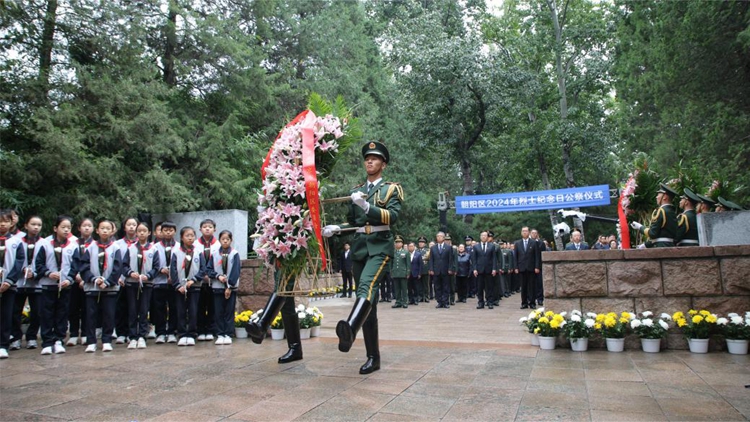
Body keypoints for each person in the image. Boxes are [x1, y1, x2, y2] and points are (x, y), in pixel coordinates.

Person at [322, 141, 403, 374]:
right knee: (369, 304)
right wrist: (337, 228)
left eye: (375, 158)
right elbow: (354, 223)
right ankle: (373, 358)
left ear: (383, 164)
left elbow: (393, 216)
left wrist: (367, 207)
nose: (370, 161)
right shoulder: (357, 191)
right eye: (367, 157)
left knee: (365, 288)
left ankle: (349, 328)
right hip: (359, 249)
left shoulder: (391, 189)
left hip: (379, 247)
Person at [35, 216, 78, 355]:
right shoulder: (45, 244)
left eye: (68, 228)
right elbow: (39, 264)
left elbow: (76, 265)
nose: (66, 230)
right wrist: (48, 273)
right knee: (46, 313)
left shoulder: (73, 245)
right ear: (55, 228)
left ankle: (59, 339)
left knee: (62, 313)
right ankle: (47, 342)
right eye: (63, 227)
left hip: (65, 286)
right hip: (48, 285)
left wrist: (70, 279)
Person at [80, 219, 123, 353]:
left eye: (107, 228)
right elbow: (84, 267)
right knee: (90, 315)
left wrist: (109, 281)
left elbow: (118, 267)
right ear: (97, 230)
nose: (105, 231)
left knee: (109, 315)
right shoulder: (90, 247)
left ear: (112, 231)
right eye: (102, 228)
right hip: (93, 287)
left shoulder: (116, 248)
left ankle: (107, 340)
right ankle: (91, 341)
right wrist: (94, 279)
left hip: (109, 288)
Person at [122, 222, 159, 349]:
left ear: (149, 233)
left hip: (147, 284)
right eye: (139, 231)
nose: (142, 233)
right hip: (132, 284)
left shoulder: (153, 249)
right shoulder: (130, 248)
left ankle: (142, 336)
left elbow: (156, 267)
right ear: (136, 233)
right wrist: (130, 273)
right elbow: (124, 265)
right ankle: (132, 336)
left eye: (145, 230)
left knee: (144, 310)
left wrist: (148, 276)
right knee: (132, 310)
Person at [11, 215, 43, 351]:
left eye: (39, 225)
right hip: (18, 282)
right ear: (26, 225)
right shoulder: (16, 241)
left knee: (37, 312)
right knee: (15, 311)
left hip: (36, 283)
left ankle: (31, 337)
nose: (36, 227)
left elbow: (47, 263)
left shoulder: (44, 243)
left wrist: (35, 273)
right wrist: (21, 270)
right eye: (33, 224)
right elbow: (12, 260)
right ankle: (16, 337)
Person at [170, 226, 204, 347]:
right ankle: (182, 334)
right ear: (181, 237)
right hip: (180, 288)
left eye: (192, 235)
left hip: (194, 287)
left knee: (193, 310)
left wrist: (194, 280)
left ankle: (192, 334)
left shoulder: (199, 252)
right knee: (180, 311)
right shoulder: (176, 252)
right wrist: (177, 285)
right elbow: (173, 270)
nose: (190, 238)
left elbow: (203, 269)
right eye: (187, 235)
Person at [0, 209, 26, 359]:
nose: (2, 224)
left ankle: (3, 344)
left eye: (5, 221)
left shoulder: (16, 242)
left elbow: (19, 262)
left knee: (6, 314)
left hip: (9, 285)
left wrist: (10, 280)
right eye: (0, 222)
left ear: (11, 223)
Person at [206, 230, 240, 345]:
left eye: (227, 239)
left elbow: (236, 271)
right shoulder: (215, 254)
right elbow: (209, 269)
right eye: (223, 239)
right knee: (218, 311)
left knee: (229, 311)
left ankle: (228, 334)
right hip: (217, 287)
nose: (225, 241)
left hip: (231, 288)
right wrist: (217, 276)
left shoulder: (234, 254)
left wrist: (229, 287)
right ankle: (220, 334)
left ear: (231, 240)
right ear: (219, 240)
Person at [68, 218, 94, 346]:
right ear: (79, 228)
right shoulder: (72, 243)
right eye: (84, 226)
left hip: (88, 281)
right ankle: (73, 333)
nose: (87, 228)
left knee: (86, 308)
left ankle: (84, 333)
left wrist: (85, 277)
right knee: (73, 307)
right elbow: (70, 262)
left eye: (89, 226)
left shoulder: (95, 244)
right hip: (73, 280)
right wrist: (74, 275)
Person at [152, 221, 178, 344]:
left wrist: (174, 274)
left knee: (174, 307)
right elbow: (151, 264)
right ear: (161, 232)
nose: (168, 232)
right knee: (159, 308)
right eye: (165, 230)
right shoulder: (155, 247)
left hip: (174, 283)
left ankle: (172, 331)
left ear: (175, 232)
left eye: (170, 230)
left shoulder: (179, 247)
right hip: (159, 282)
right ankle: (160, 332)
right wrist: (159, 269)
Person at [631, 183, 678, 248]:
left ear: (665, 197)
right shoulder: (672, 211)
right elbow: (661, 235)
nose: (656, 197)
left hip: (661, 247)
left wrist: (640, 227)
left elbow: (653, 233)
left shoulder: (661, 211)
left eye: (659, 194)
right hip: (671, 246)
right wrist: (645, 245)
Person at [196, 219, 219, 342]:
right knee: (199, 305)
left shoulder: (219, 244)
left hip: (213, 280)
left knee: (212, 306)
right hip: (199, 281)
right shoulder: (195, 244)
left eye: (210, 227)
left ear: (214, 229)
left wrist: (211, 275)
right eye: (204, 227)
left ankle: (210, 330)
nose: (207, 229)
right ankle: (200, 330)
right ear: (200, 229)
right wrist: (201, 275)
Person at [514, 226, 540, 309]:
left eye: (526, 231)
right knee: (523, 286)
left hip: (531, 268)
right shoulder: (517, 243)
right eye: (523, 231)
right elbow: (515, 257)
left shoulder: (533, 242)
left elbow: (537, 256)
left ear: (528, 232)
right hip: (521, 268)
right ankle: (524, 303)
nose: (524, 232)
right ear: (521, 233)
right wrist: (516, 267)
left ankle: (532, 302)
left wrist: (537, 266)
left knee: (532, 286)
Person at [471, 231, 497, 310]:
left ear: (487, 237)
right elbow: (474, 259)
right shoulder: (476, 247)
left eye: (485, 235)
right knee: (479, 287)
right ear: (480, 237)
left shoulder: (492, 246)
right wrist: (474, 269)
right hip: (479, 270)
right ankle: (480, 302)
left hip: (489, 269)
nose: (483, 237)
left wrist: (494, 268)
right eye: (482, 235)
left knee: (489, 287)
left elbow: (494, 258)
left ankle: (490, 302)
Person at [429, 231, 454, 309]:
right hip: (436, 270)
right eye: (437, 236)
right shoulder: (433, 248)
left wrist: (450, 268)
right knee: (437, 287)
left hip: (445, 270)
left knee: (446, 286)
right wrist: (431, 269)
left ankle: (445, 301)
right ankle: (439, 301)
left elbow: (451, 259)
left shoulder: (448, 247)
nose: (438, 238)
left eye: (440, 236)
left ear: (443, 238)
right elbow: (431, 259)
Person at [390, 235, 409, 309]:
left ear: (402, 244)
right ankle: (398, 302)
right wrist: (391, 271)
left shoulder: (406, 252)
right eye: (396, 242)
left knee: (404, 288)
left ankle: (405, 302)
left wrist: (407, 272)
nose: (397, 244)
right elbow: (391, 263)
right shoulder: (393, 252)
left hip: (403, 273)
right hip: (395, 272)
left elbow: (408, 264)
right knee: (397, 289)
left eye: (399, 242)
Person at [407, 241, 422, 306]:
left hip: (415, 273)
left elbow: (420, 265)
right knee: (409, 288)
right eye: (409, 246)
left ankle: (416, 300)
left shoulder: (418, 254)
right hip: (408, 274)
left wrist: (419, 273)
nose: (411, 247)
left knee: (416, 287)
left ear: (414, 247)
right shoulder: (406, 254)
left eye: (412, 246)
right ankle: (411, 300)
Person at [417, 236, 430, 302]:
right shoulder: (416, 251)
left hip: (425, 269)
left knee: (426, 285)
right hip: (418, 270)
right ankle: (420, 296)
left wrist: (430, 269)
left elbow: (430, 261)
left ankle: (427, 297)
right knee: (419, 285)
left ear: (425, 244)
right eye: (420, 242)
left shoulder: (428, 251)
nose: (421, 243)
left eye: (422, 242)